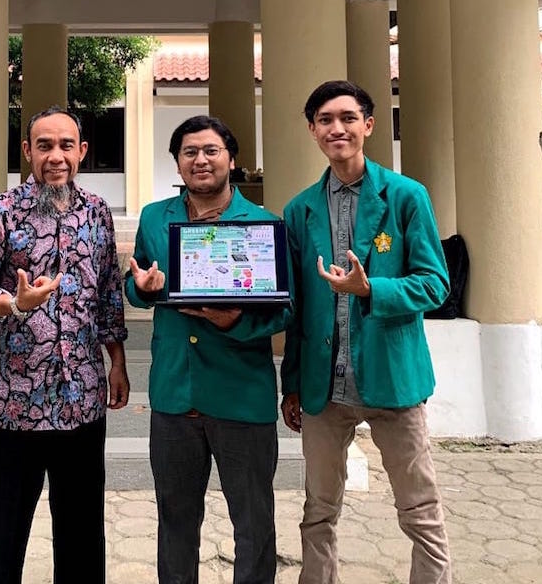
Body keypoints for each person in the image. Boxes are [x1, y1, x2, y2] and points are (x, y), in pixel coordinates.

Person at [281, 80, 452, 584]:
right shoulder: (299, 210)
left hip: (391, 379)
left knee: (419, 509)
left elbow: (435, 283)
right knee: (318, 509)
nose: (337, 128)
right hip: (324, 386)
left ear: (369, 125)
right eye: (325, 120)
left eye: (348, 118)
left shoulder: (406, 196)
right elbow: (297, 309)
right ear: (312, 131)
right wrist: (291, 384)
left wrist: (370, 289)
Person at [0, 106, 129, 584]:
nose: (56, 156)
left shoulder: (97, 212)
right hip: (13, 406)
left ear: (82, 151)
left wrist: (117, 361)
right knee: (6, 535)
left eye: (66, 145)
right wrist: (13, 303)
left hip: (82, 402)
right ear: (27, 151)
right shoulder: (0, 212)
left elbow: (108, 292)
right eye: (45, 145)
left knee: (82, 534)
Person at [126, 115, 291, 584]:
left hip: (241, 396)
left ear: (231, 159)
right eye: (189, 152)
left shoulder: (264, 225)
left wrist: (235, 321)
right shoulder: (155, 217)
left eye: (211, 150)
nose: (200, 160)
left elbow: (284, 310)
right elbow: (135, 283)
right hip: (175, 394)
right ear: (178, 163)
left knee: (253, 523)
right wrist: (142, 288)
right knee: (175, 521)